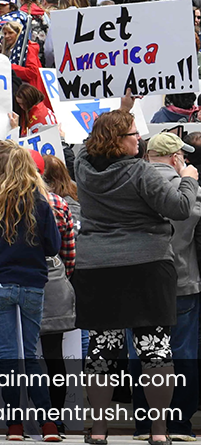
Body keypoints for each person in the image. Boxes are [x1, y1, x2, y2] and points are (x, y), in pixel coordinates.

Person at [74, 110, 197, 444]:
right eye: (132, 133)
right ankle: (159, 432)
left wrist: (122, 108)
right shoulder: (141, 172)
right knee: (154, 349)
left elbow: (83, 147)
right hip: (146, 266)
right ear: (118, 141)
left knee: (103, 347)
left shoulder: (83, 170)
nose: (139, 138)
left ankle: (98, 431)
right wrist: (188, 177)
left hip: (97, 268)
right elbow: (180, 208)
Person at [0, 143, 62, 441]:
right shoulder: (41, 203)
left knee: (8, 358)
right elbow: (54, 247)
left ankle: (14, 426)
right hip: (32, 282)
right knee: (31, 356)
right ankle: (48, 424)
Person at [135, 133, 201, 440]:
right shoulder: (191, 191)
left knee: (142, 354)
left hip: (140, 282)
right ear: (175, 158)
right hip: (182, 281)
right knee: (183, 353)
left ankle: (145, 424)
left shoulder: (132, 187)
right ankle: (178, 424)